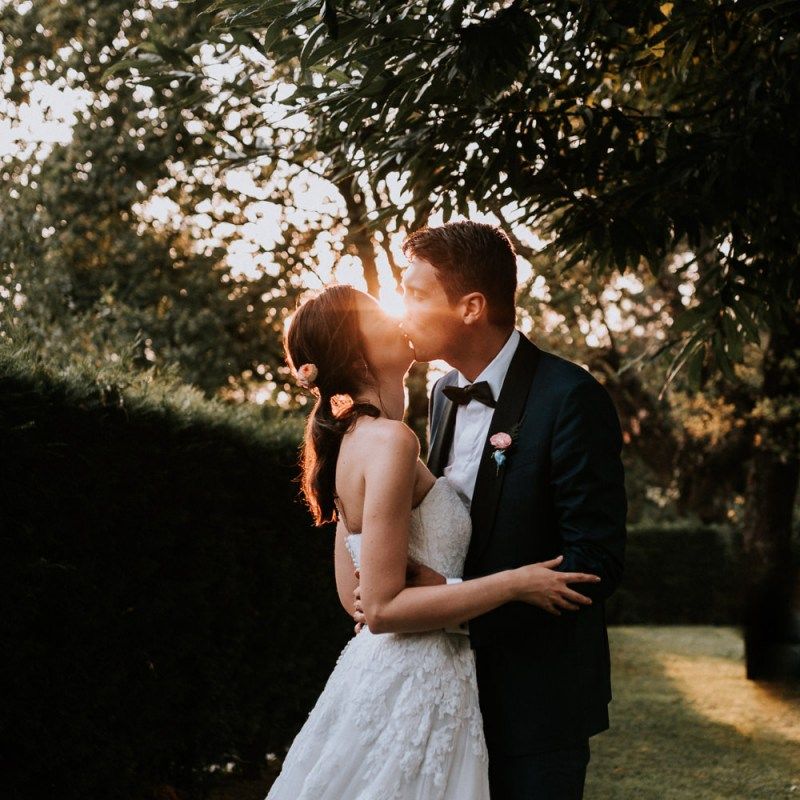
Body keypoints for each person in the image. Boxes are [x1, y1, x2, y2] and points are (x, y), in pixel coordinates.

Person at [266, 283, 602, 800]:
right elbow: (376, 605)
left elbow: (350, 595)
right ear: (357, 349)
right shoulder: (393, 441)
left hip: (392, 673)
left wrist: (416, 590)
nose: (400, 318)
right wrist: (513, 583)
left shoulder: (351, 442)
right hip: (417, 683)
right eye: (380, 316)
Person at [353, 220, 627, 799]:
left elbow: (594, 561)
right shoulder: (439, 393)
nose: (403, 310)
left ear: (471, 307)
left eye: (417, 293)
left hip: (539, 697)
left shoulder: (571, 398)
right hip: (444, 691)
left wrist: (448, 601)